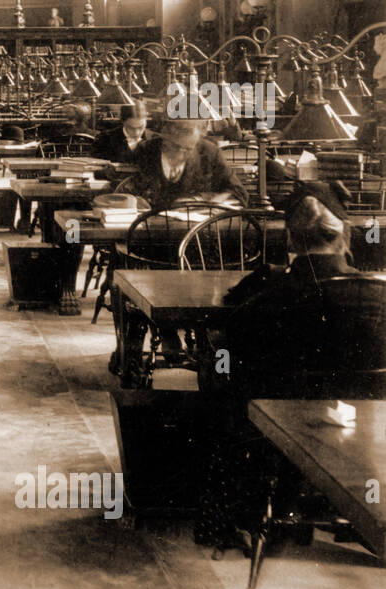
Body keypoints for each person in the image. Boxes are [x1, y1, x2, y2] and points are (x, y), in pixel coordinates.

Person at [194, 184, 386, 551]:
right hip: (369, 415)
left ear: (291, 242)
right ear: (344, 237)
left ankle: (231, 513)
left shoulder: (268, 296)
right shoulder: (377, 291)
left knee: (218, 373)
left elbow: (233, 343)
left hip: (280, 416)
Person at [117, 117, 247, 210]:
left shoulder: (209, 152)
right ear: (165, 139)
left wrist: (208, 201)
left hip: (201, 230)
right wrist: (136, 200)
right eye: (176, 146)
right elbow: (127, 186)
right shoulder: (147, 150)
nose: (181, 153)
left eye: (188, 149)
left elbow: (238, 191)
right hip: (154, 229)